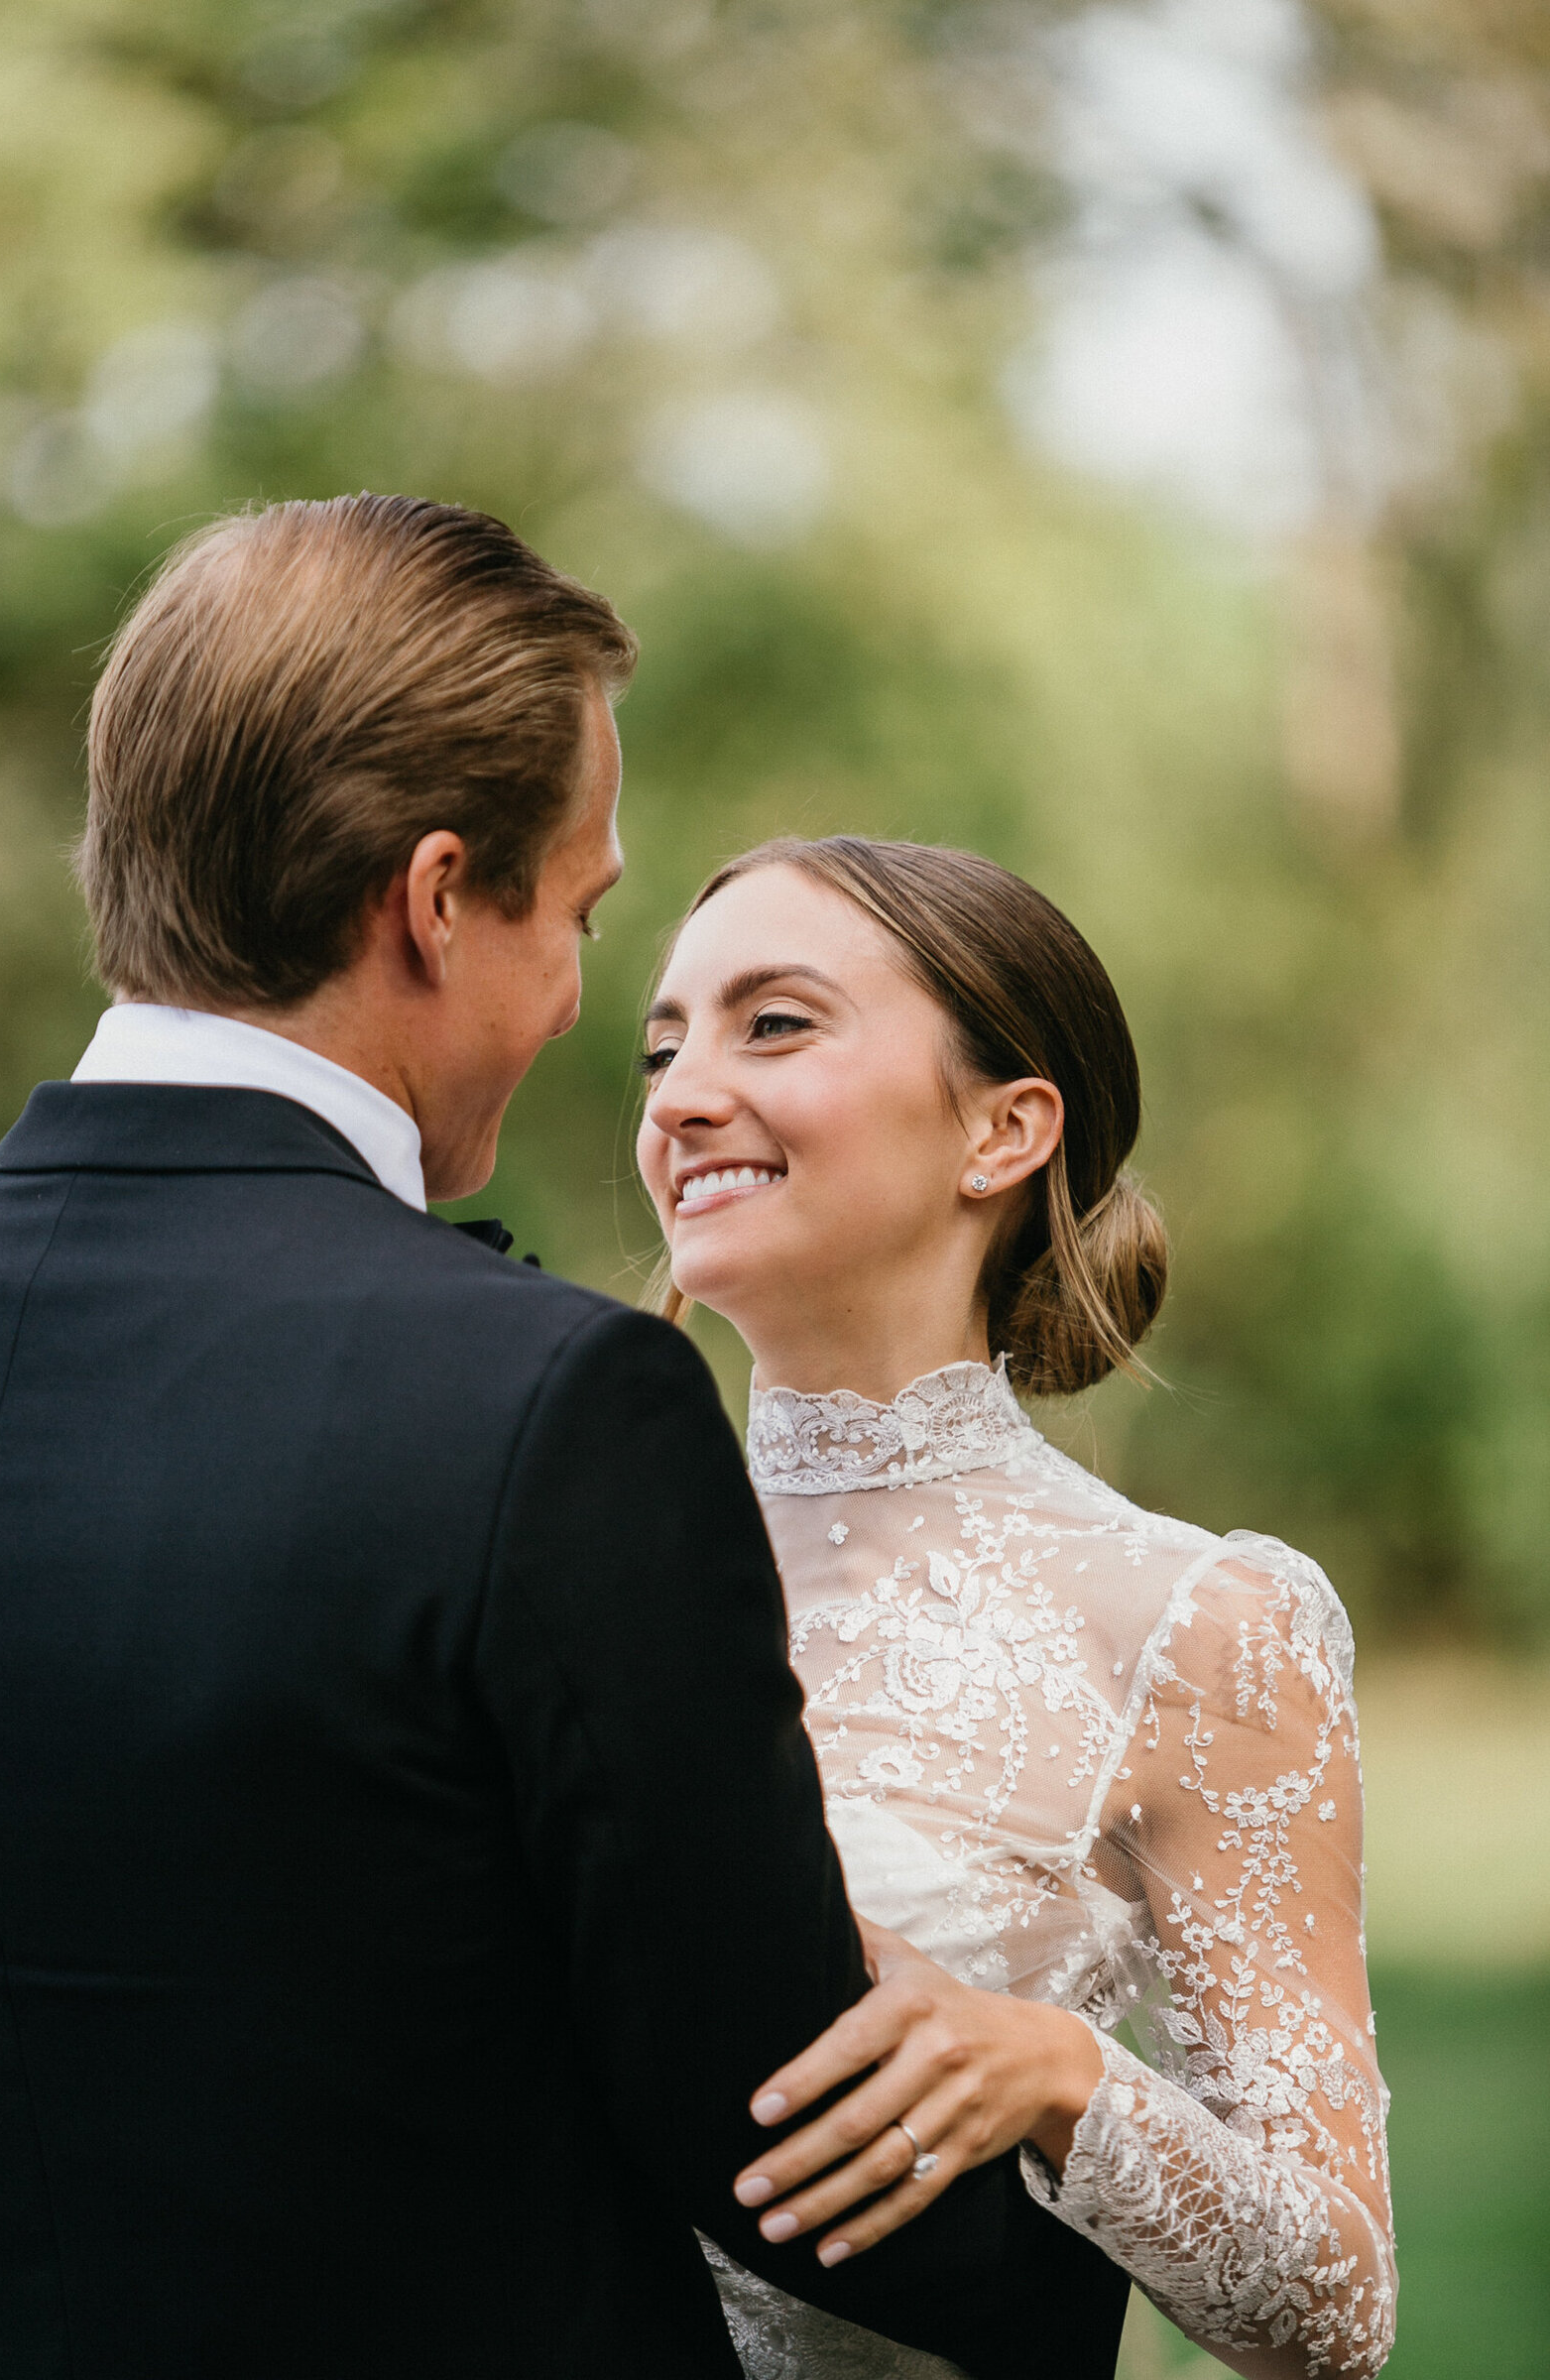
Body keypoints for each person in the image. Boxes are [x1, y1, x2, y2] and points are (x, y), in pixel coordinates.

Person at [0, 503, 1129, 2379]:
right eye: (580, 917)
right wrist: (1078, 2294)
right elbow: (770, 2126)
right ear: (434, 900)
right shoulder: (546, 1404)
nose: (599, 1019)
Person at [636, 836, 1397, 2380]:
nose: (679, 1095)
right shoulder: (559, 1552)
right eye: (663, 1045)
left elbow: (1335, 2312)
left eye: (771, 1023)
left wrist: (1061, 2079)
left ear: (1004, 1129)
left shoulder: (1196, 1624)